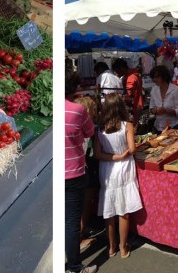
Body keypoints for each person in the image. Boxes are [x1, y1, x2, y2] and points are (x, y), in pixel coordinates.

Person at [94, 93, 143, 259]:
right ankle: (123, 247)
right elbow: (133, 148)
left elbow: (97, 154)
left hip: (107, 169)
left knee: (109, 210)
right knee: (123, 210)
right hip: (123, 168)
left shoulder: (100, 128)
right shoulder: (126, 125)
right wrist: (122, 155)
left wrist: (114, 157)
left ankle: (111, 247)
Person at [65, 71, 98, 273]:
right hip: (73, 173)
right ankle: (75, 267)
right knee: (71, 222)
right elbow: (90, 132)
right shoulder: (77, 110)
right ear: (75, 89)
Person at [74, 96, 99, 252]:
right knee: (85, 205)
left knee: (77, 206)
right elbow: (95, 153)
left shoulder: (72, 127)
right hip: (87, 169)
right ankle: (79, 237)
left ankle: (80, 232)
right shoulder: (90, 129)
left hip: (75, 170)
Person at [149, 65, 178, 133]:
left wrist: (166, 111)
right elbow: (151, 108)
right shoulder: (154, 90)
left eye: (157, 77)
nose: (154, 80)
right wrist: (155, 110)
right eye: (153, 77)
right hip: (158, 126)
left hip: (174, 126)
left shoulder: (175, 90)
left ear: (164, 77)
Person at [112, 58, 143, 124]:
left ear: (122, 68)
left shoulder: (130, 78)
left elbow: (129, 95)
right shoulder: (134, 74)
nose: (116, 73)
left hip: (134, 107)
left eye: (117, 71)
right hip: (138, 105)